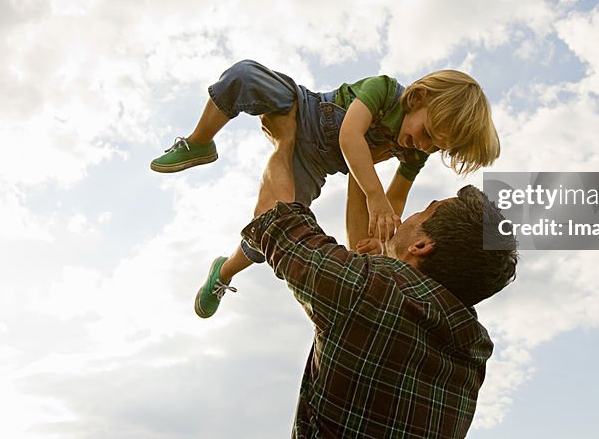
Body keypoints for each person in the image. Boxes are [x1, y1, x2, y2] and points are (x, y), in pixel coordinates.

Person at [149, 60, 500, 318]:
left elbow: (393, 199)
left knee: (269, 225)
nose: (425, 148)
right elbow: (350, 137)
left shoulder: (412, 151)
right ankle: (199, 141)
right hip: (303, 109)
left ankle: (223, 272)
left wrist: (380, 238)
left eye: (436, 148)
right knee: (244, 75)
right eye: (427, 134)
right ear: (418, 98)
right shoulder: (383, 91)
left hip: (313, 162)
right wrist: (374, 196)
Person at [224, 184, 517, 438]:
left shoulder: (369, 292)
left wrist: (284, 139)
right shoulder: (469, 358)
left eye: (425, 211)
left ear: (422, 244)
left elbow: (272, 214)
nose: (411, 215)